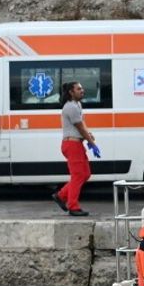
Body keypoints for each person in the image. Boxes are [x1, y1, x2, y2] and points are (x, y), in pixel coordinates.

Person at [52, 81, 97, 217]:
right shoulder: (70, 107)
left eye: (82, 88)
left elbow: (82, 124)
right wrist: (91, 143)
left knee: (85, 174)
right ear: (71, 92)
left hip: (76, 144)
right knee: (78, 175)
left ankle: (61, 195)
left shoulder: (77, 105)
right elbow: (79, 127)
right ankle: (73, 206)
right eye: (78, 89)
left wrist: (88, 135)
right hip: (71, 145)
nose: (82, 90)